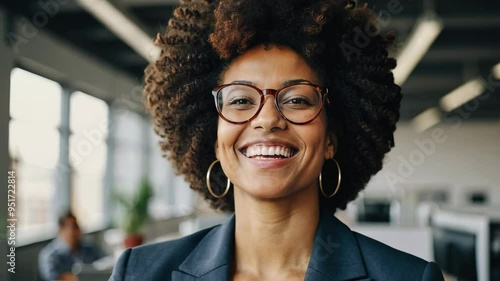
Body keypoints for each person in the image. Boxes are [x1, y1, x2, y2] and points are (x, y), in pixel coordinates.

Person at [110, 0, 444, 280]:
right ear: (214, 141)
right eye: (240, 100)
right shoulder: (139, 273)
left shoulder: (409, 277)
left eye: (297, 99)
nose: (268, 119)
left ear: (330, 139)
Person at [38, 211, 104, 281]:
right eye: (73, 227)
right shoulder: (49, 255)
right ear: (61, 230)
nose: (78, 230)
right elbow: (54, 278)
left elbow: (105, 265)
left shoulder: (88, 247)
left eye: (78, 226)